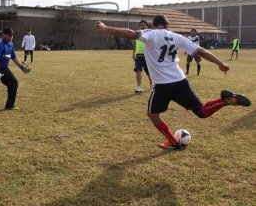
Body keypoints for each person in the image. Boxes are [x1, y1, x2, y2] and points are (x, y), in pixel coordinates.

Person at [94, 15, 251, 150]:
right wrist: (220, 63)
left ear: (153, 25)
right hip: (180, 81)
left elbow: (132, 34)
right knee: (201, 111)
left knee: (153, 115)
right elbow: (200, 51)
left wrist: (105, 27)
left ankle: (173, 142)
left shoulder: (151, 33)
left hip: (162, 85)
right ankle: (226, 101)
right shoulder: (177, 37)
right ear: (167, 25)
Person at [132, 20, 152, 93]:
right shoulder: (137, 34)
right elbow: (134, 44)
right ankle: (139, 87)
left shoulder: (150, 34)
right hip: (139, 55)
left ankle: (152, 86)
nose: (142, 26)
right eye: (141, 25)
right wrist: (133, 53)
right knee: (138, 70)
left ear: (147, 26)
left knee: (149, 71)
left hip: (148, 54)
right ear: (139, 26)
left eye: (144, 25)